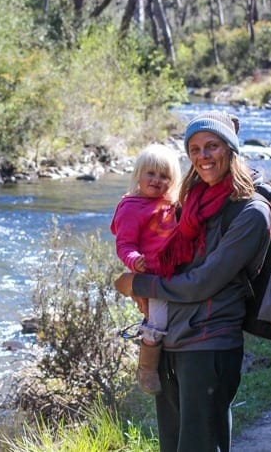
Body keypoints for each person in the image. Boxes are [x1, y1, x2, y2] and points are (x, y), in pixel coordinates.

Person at [114, 111, 271, 452]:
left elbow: (202, 282)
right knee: (172, 445)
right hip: (174, 337)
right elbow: (167, 258)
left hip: (209, 341)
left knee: (200, 445)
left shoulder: (251, 213)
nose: (203, 157)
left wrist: (137, 285)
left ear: (230, 150)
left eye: (212, 146)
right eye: (195, 149)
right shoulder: (192, 201)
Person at [110, 143, 182, 395]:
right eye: (151, 174)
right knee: (158, 320)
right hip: (150, 274)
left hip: (173, 271)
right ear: (138, 175)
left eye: (164, 176)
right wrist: (134, 260)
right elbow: (124, 244)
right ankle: (147, 369)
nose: (157, 180)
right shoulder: (131, 207)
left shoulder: (170, 204)